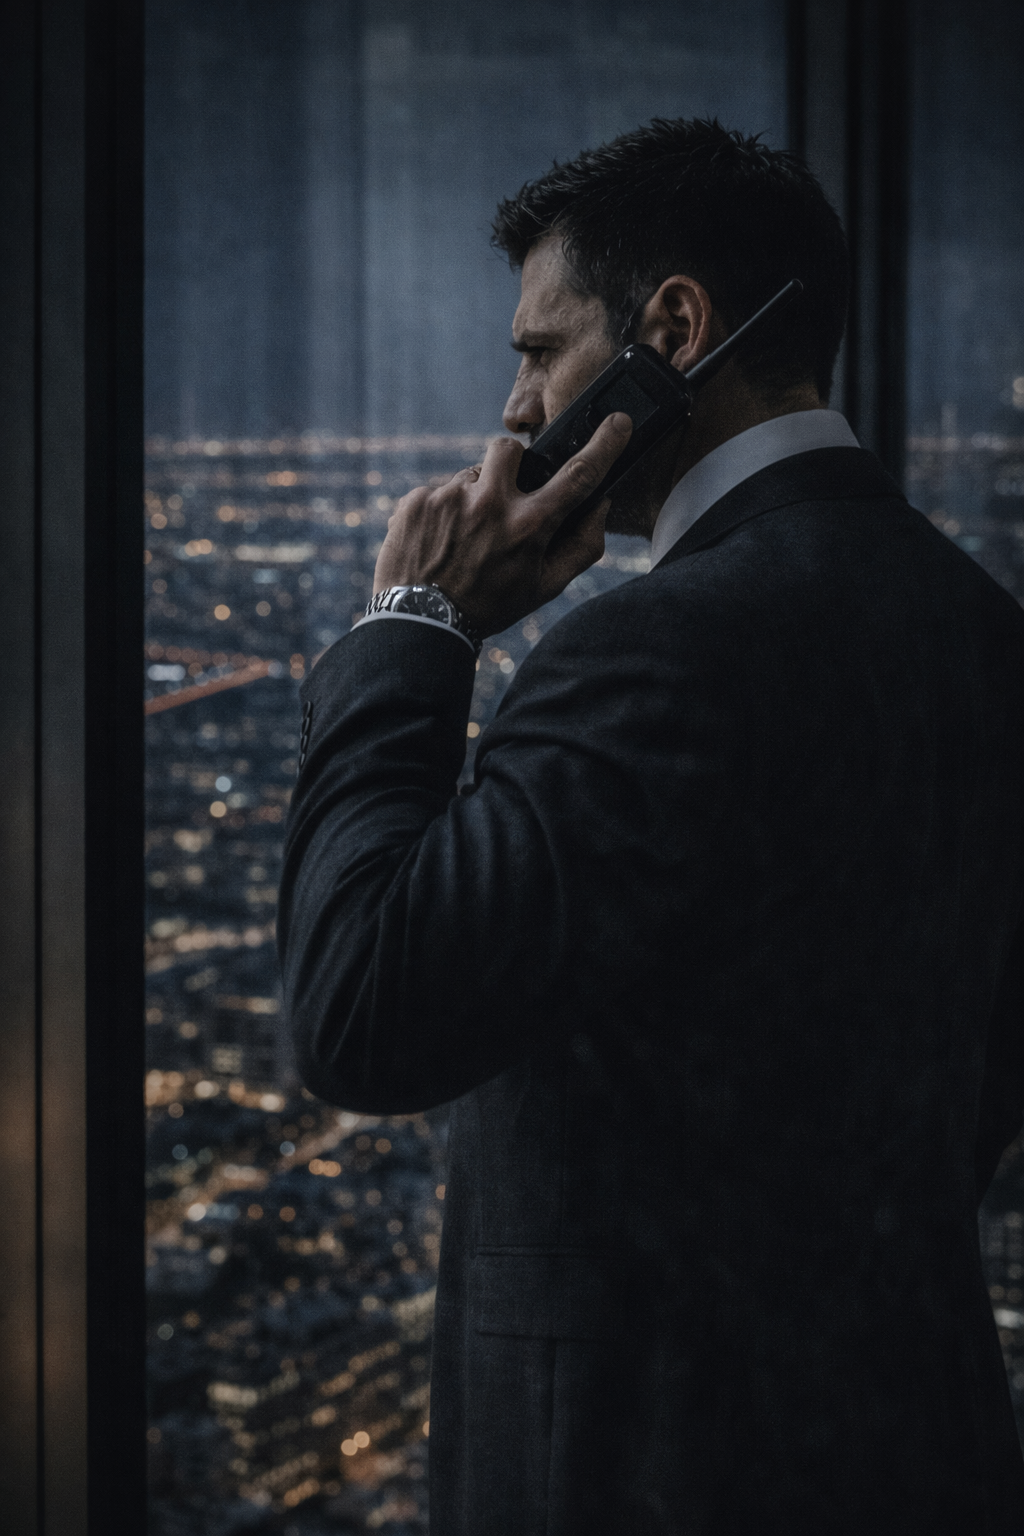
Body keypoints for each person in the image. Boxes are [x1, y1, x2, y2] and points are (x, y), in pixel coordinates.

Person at [278, 119, 1024, 1534]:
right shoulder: (984, 632)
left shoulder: (662, 650)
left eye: (538, 351)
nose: (512, 410)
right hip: (916, 1451)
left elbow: (358, 1006)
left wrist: (414, 621)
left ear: (669, 329)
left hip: (643, 1471)